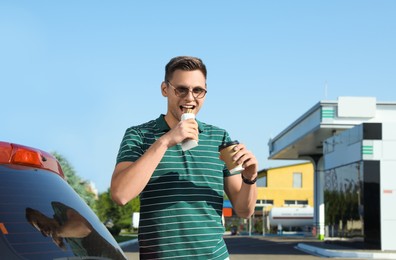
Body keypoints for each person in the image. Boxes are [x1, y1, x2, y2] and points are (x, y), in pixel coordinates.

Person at [111, 56, 258, 259]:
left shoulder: (220, 137)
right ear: (165, 89)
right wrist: (165, 141)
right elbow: (120, 194)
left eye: (198, 90)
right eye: (181, 89)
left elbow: (244, 210)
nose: (190, 98)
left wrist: (249, 178)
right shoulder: (138, 135)